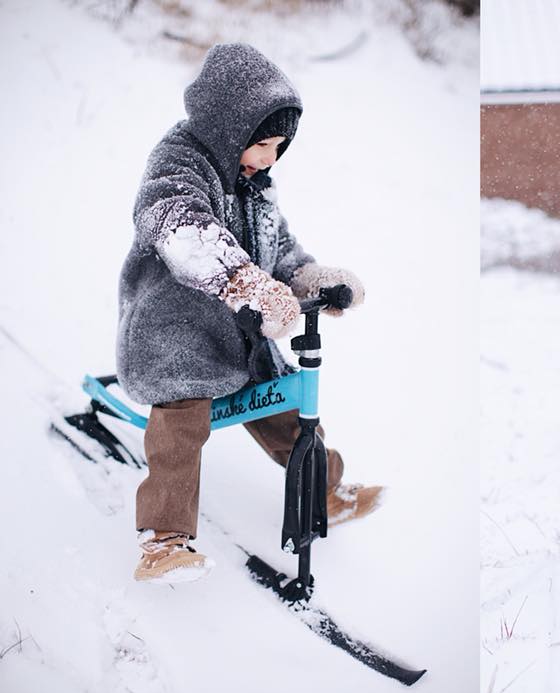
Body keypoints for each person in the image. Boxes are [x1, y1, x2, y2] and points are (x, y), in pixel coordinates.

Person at [117, 43, 380, 583]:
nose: (269, 158)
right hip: (175, 328)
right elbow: (179, 226)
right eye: (261, 144)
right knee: (181, 427)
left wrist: (309, 278)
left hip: (239, 331)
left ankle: (325, 491)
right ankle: (163, 540)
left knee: (283, 405)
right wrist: (244, 282)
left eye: (279, 147)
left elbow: (277, 245)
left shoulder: (255, 183)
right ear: (225, 127)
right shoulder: (180, 161)